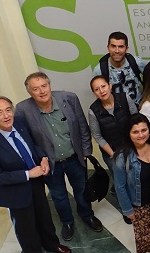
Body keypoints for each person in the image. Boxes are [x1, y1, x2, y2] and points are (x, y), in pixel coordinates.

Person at [0, 96, 70, 253]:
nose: (6, 115)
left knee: (44, 215)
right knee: (26, 226)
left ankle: (52, 244)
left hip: (36, 183)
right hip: (16, 191)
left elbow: (32, 145)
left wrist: (42, 157)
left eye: (8, 109)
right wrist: (28, 174)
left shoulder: (19, 122)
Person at [15, 72, 103, 242]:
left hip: (74, 158)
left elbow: (82, 126)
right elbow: (28, 140)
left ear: (49, 85)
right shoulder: (23, 110)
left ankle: (87, 215)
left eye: (44, 86)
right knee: (59, 195)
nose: (41, 91)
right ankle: (67, 222)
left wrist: (86, 150)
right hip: (50, 163)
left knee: (81, 189)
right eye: (35, 89)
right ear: (29, 93)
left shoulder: (68, 99)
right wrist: (39, 159)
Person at [113, 114, 150, 253]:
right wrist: (128, 210)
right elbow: (120, 186)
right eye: (135, 132)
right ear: (128, 134)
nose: (141, 135)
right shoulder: (122, 157)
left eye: (144, 130)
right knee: (149, 237)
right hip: (140, 204)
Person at [88, 75, 137, 177]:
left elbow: (136, 120)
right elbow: (97, 136)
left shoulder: (124, 98)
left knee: (135, 177)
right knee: (119, 180)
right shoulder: (93, 111)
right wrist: (113, 155)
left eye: (103, 86)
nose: (102, 91)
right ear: (94, 93)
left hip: (132, 146)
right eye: (97, 89)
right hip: (111, 151)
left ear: (110, 86)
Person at [93, 31, 147, 105]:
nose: (117, 51)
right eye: (113, 46)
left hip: (138, 108)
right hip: (117, 112)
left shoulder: (136, 62)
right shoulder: (100, 70)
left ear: (126, 48)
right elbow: (100, 96)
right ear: (108, 48)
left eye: (121, 47)